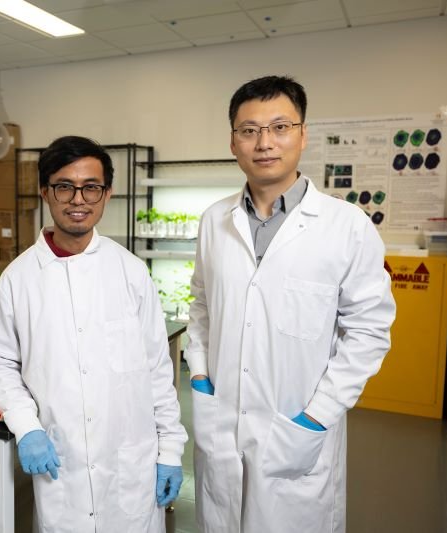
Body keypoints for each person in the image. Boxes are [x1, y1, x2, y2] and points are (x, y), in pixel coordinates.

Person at [185, 75, 396, 533]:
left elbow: (368, 333)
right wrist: (200, 376)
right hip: (221, 421)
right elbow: (200, 305)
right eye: (249, 130)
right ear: (233, 142)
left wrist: (316, 417)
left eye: (280, 127)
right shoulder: (213, 220)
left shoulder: (347, 227)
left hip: (299, 428)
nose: (265, 142)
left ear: (303, 135)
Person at [0, 135, 187, 532]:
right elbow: (0, 365)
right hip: (62, 463)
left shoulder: (130, 272)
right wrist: (27, 426)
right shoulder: (17, 280)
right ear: (45, 192)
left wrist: (171, 449)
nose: (79, 199)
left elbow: (157, 370)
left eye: (91, 187)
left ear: (106, 194)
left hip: (129, 462)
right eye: (64, 187)